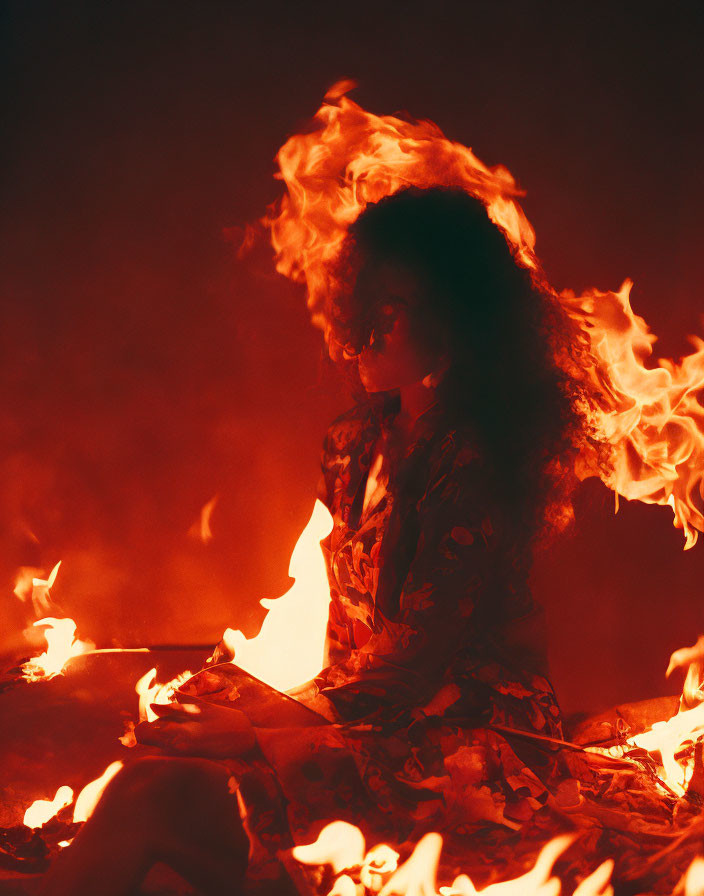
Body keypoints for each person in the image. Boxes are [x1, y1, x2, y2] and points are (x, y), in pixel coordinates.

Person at [42, 188, 600, 895]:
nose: (367, 329)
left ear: (456, 319)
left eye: (396, 309)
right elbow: (346, 643)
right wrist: (244, 699)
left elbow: (408, 671)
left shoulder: (475, 463)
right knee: (166, 750)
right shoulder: (353, 441)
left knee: (150, 794)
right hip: (368, 718)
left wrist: (259, 733)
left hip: (469, 742)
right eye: (367, 302)